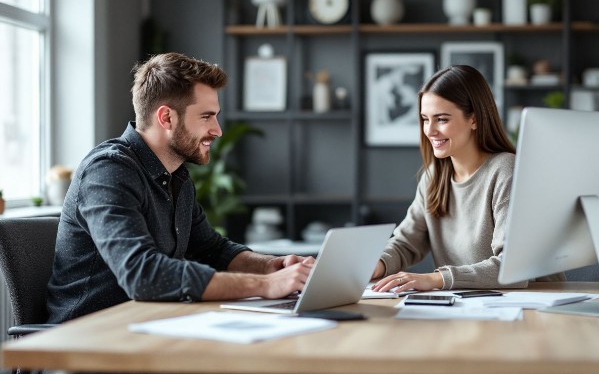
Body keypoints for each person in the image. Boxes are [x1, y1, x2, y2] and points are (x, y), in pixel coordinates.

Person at [46, 52, 313, 323]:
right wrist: (266, 286)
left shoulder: (176, 177)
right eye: (206, 117)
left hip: (150, 326)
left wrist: (271, 267)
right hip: (88, 338)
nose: (218, 130)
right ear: (167, 118)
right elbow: (143, 274)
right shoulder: (109, 170)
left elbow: (212, 250)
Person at [371, 65, 564, 293]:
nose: (430, 130)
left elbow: (512, 269)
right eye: (425, 119)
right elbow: (405, 243)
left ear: (473, 119)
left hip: (534, 308)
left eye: (441, 119)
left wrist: (435, 279)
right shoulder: (434, 177)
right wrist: (374, 266)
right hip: (472, 305)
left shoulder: (506, 170)